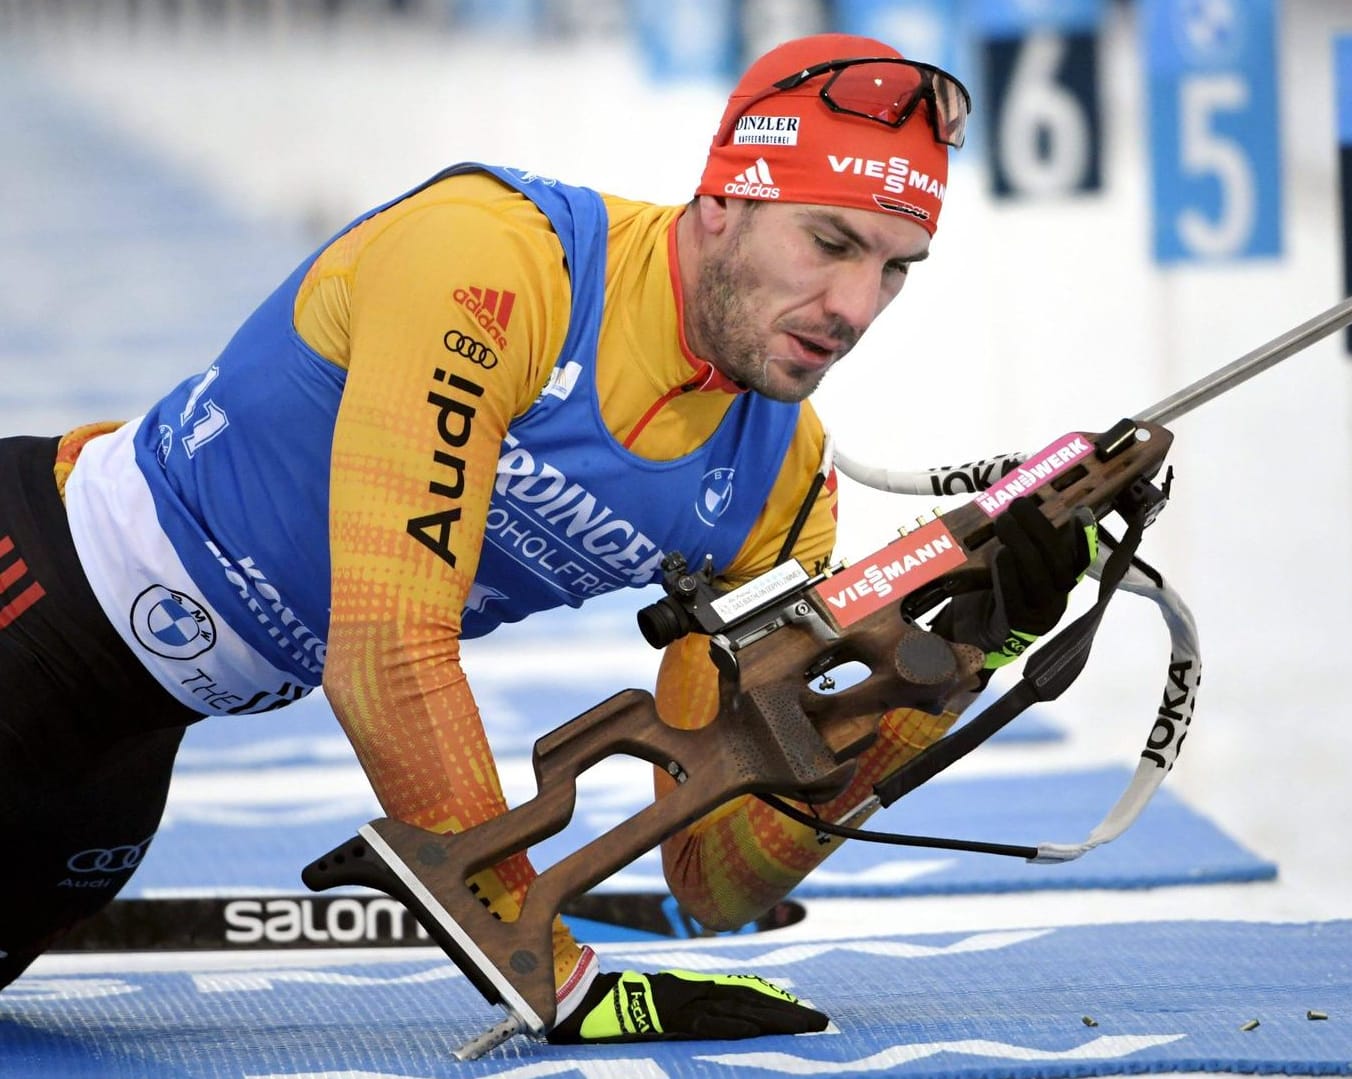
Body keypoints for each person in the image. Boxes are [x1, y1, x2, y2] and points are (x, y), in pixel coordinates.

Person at [0, 32, 1092, 1043]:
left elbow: (716, 868)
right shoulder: (496, 264)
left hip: (125, 744)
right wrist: (560, 975)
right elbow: (382, 653)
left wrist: (953, 662)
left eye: (895, 268)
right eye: (829, 241)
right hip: (31, 582)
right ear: (722, 199)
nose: (855, 305)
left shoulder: (781, 479)